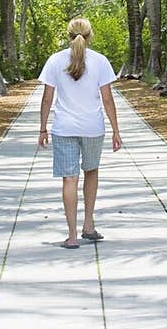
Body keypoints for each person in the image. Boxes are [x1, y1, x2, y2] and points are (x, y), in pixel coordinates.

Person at [38, 17, 122, 249]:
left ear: (68, 35)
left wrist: (43, 128)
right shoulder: (101, 61)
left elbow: (47, 98)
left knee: (69, 178)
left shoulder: (55, 61)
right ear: (90, 35)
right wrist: (116, 130)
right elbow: (107, 99)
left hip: (64, 128)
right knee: (91, 172)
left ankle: (73, 235)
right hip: (92, 128)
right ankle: (88, 226)